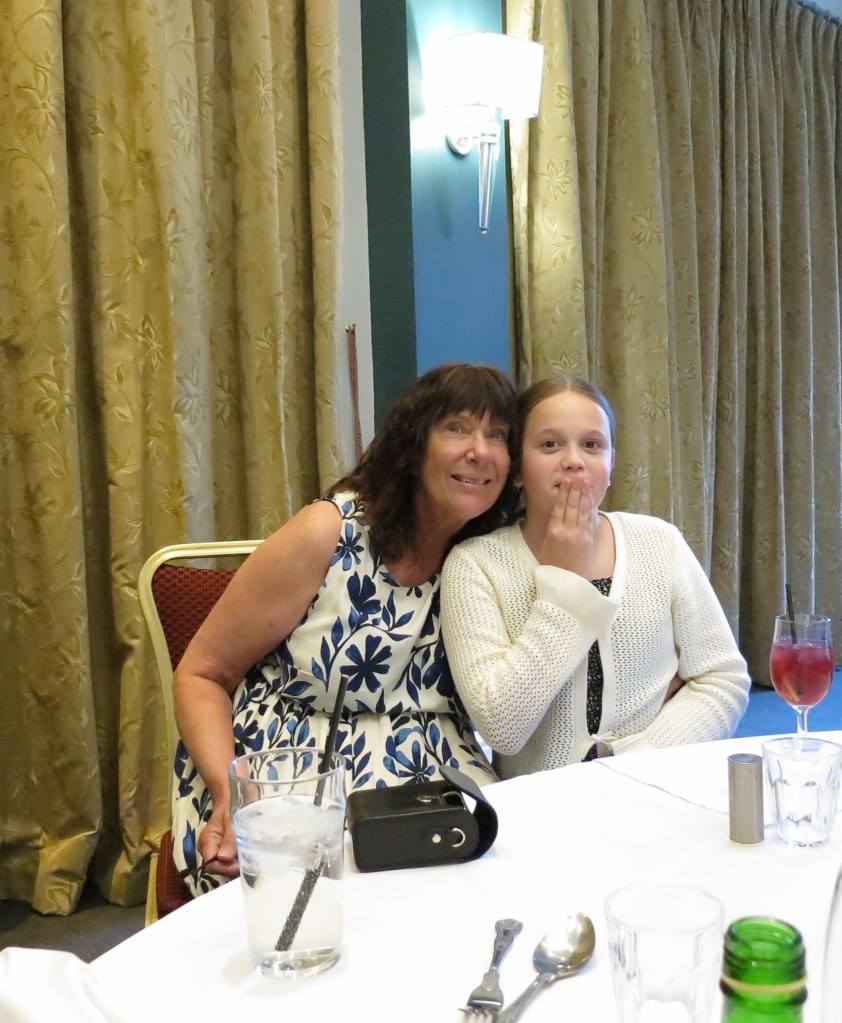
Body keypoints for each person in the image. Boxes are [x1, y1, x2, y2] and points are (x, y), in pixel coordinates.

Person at [171, 362, 519, 893]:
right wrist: (232, 795)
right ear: (414, 444)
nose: (479, 450)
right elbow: (202, 675)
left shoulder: (494, 558)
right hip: (292, 765)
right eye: (456, 428)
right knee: (320, 899)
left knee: (499, 874)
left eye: (497, 435)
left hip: (436, 772)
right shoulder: (330, 531)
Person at [440, 374, 750, 779]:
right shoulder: (475, 564)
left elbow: (723, 678)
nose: (574, 460)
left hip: (655, 788)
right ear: (518, 469)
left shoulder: (659, 542)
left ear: (611, 464)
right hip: (541, 802)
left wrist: (639, 760)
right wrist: (564, 582)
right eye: (550, 444)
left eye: (592, 445)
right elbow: (502, 728)